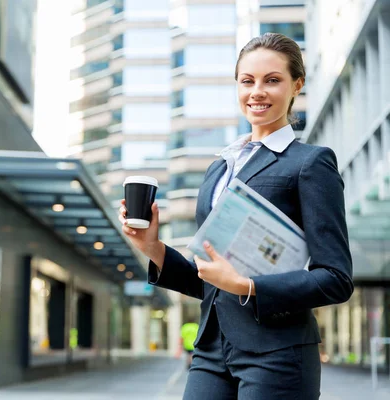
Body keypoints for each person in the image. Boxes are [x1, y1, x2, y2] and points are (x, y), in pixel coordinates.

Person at [118, 33, 353, 399]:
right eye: (248, 81)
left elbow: (336, 279)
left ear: (297, 85)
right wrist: (153, 247)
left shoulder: (310, 163)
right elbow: (211, 280)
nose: (257, 91)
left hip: (279, 354)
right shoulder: (219, 167)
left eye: (272, 80)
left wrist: (249, 286)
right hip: (211, 351)